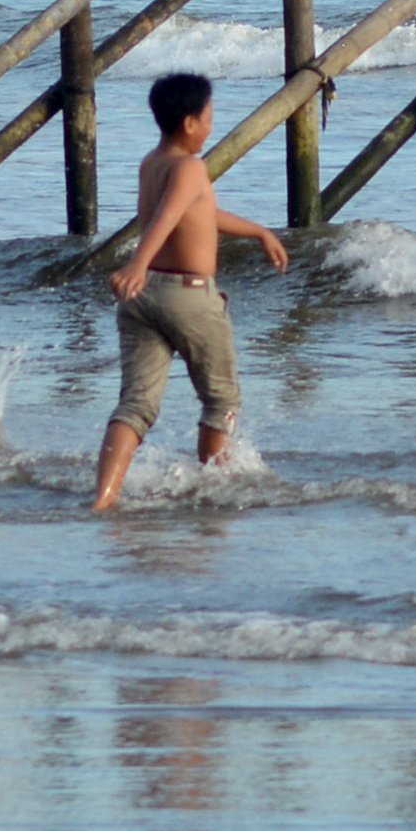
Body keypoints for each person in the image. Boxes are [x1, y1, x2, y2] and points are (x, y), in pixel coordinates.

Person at [91, 73, 288, 511]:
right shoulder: (191, 167)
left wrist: (258, 232)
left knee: (136, 405)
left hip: (143, 300)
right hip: (187, 295)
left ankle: (103, 499)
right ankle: (216, 487)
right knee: (222, 399)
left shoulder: (152, 162)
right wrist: (135, 264)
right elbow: (168, 216)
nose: (212, 126)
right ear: (188, 123)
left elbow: (200, 212)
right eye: (209, 118)